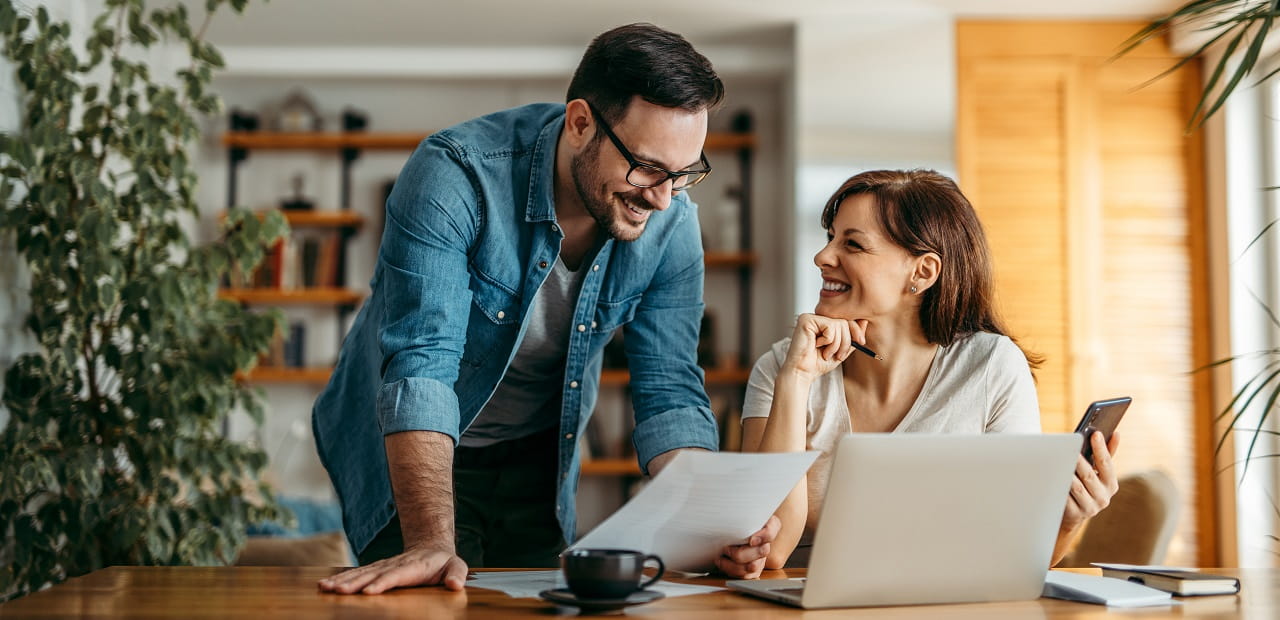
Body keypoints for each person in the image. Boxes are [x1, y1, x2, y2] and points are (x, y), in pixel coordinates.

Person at [311, 23, 776, 595]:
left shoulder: (672, 221)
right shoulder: (455, 175)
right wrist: (432, 540)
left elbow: (671, 390)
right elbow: (422, 364)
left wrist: (713, 527)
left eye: (683, 173)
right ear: (581, 123)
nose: (662, 198)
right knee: (430, 600)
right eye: (649, 167)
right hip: (417, 452)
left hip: (536, 457)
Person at [732, 169, 1119, 571]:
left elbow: (1015, 556)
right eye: (830, 237)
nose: (823, 257)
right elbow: (771, 550)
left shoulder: (992, 367)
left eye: (853, 244)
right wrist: (796, 381)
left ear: (923, 272)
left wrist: (1068, 520)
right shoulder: (782, 365)